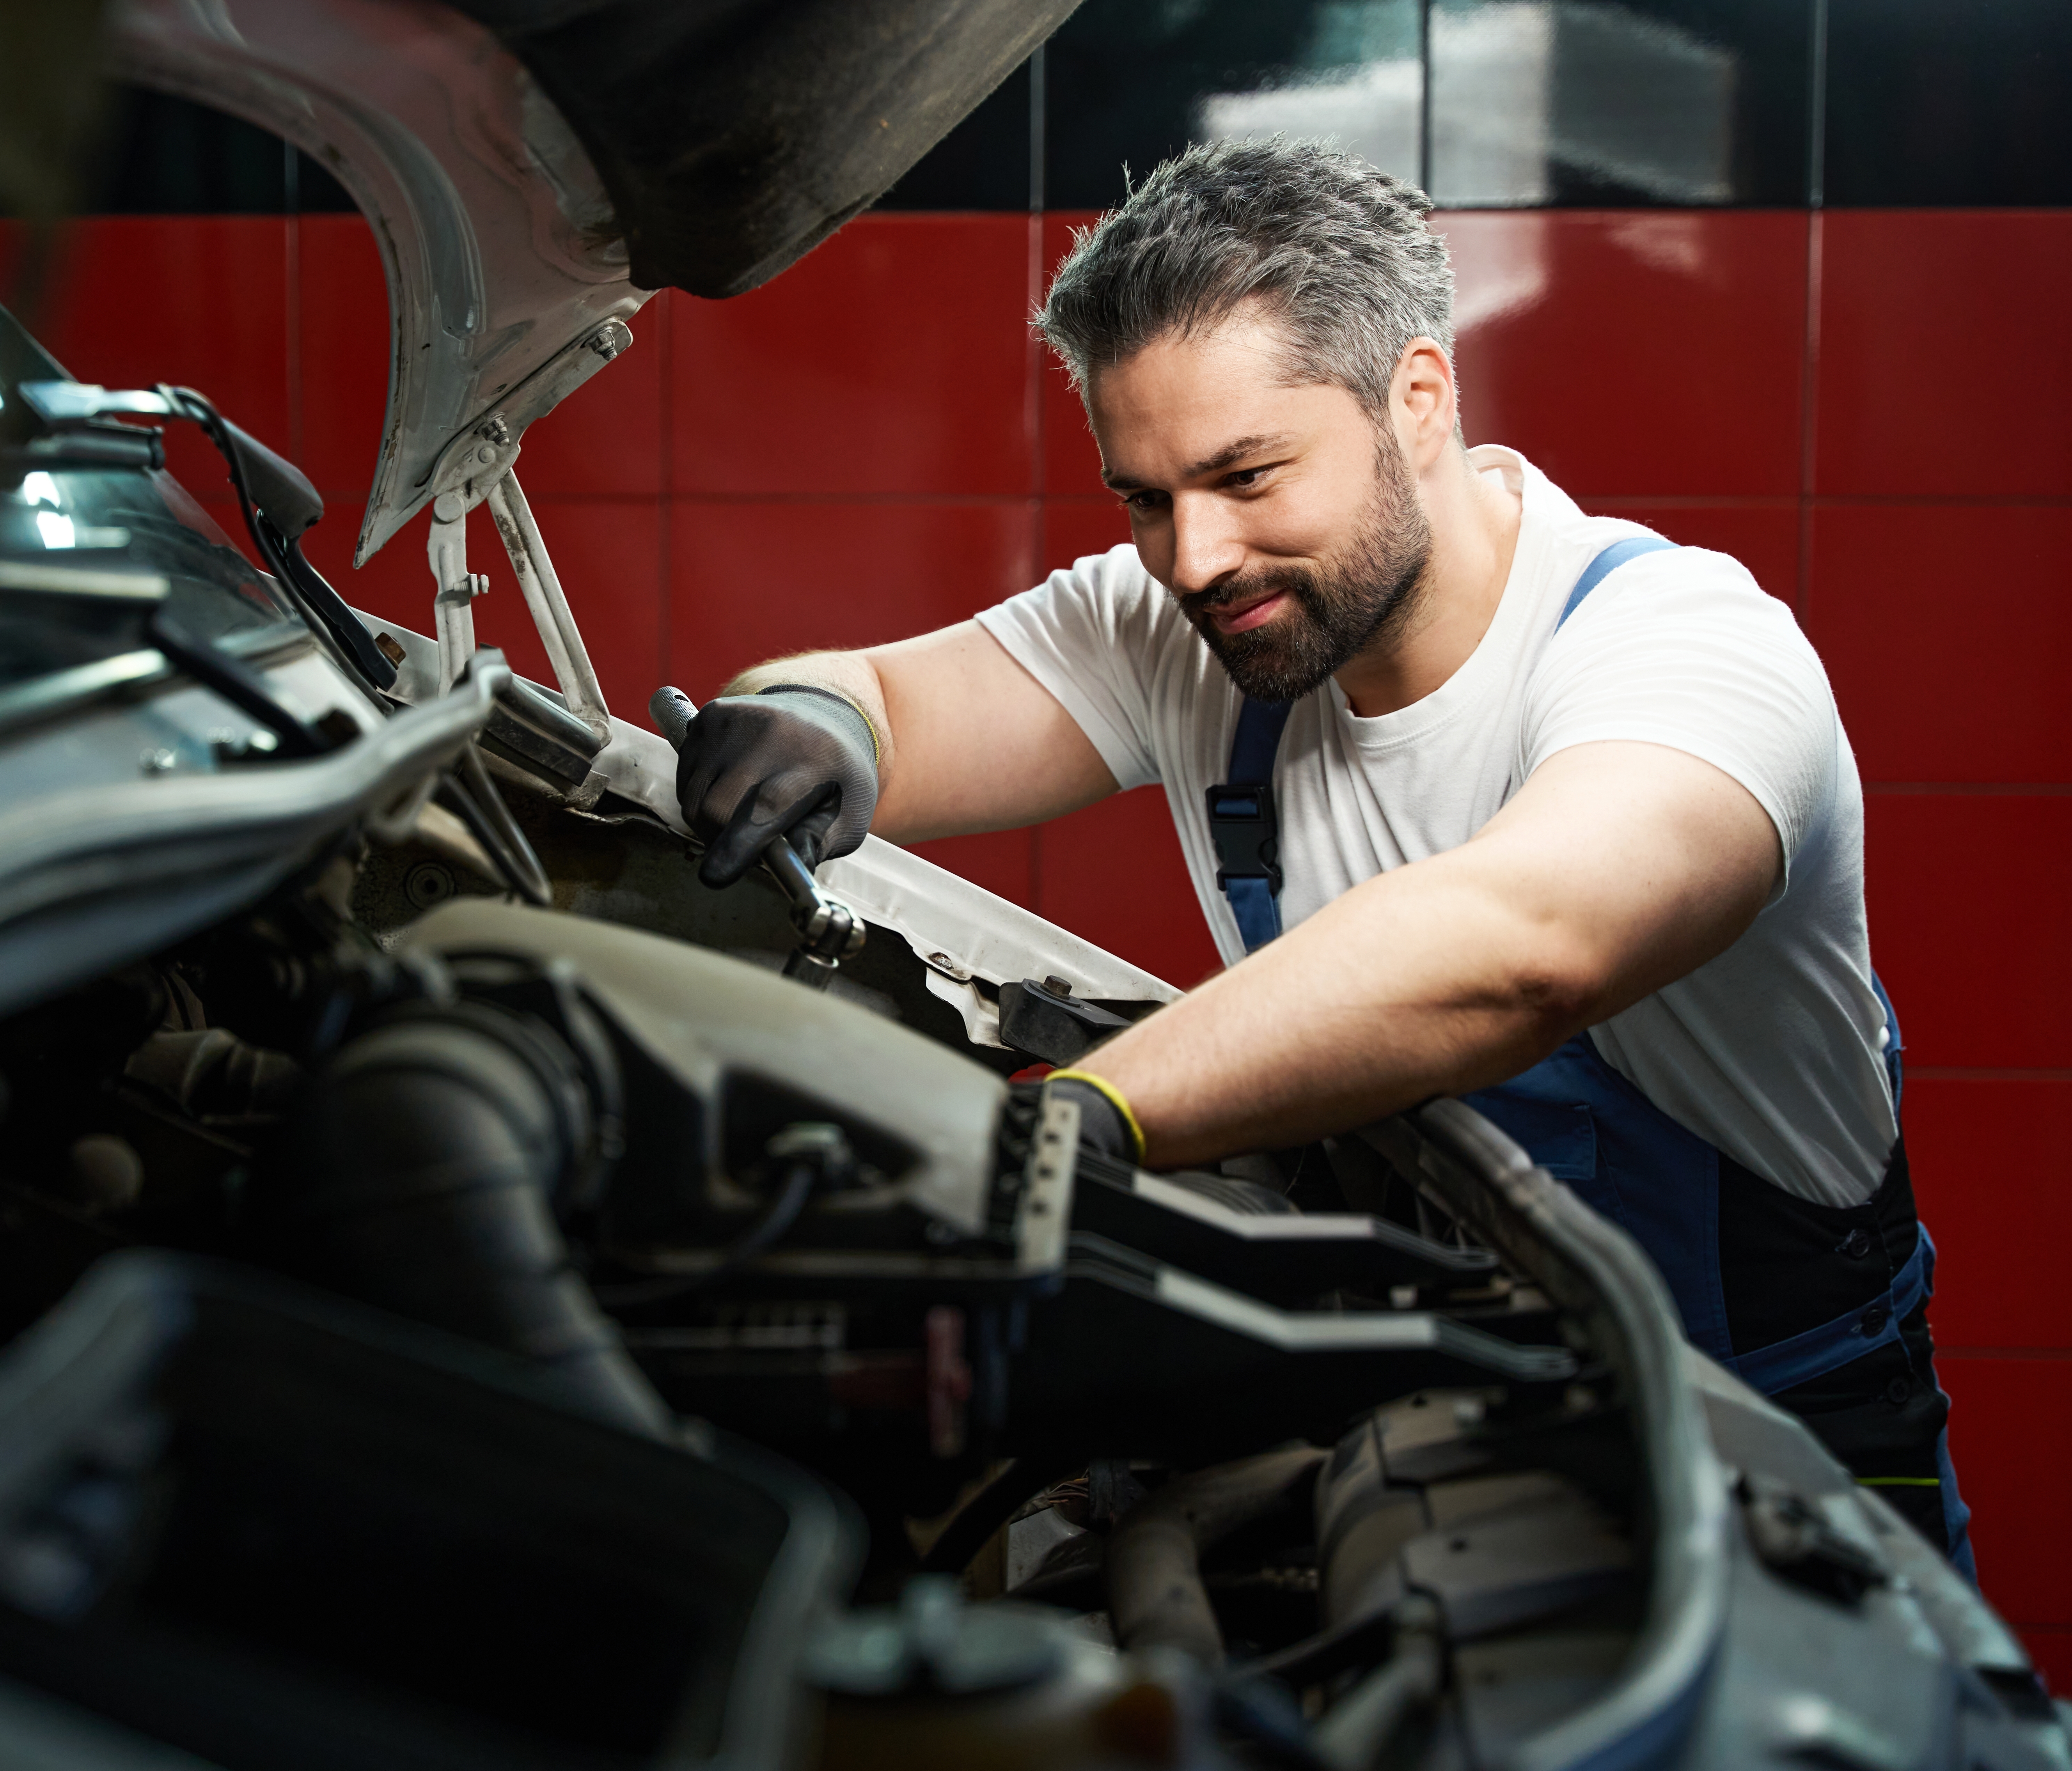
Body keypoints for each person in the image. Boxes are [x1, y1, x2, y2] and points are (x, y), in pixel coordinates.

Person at [669, 139, 1971, 1571]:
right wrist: (814, 714)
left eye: (1244, 475)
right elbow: (896, 700)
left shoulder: (1686, 656)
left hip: (1772, 1480)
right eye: (1145, 497)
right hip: (1443, 1450)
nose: (1191, 557)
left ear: (1416, 397)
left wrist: (1061, 1129)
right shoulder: (1206, 623)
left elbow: (1522, 948)